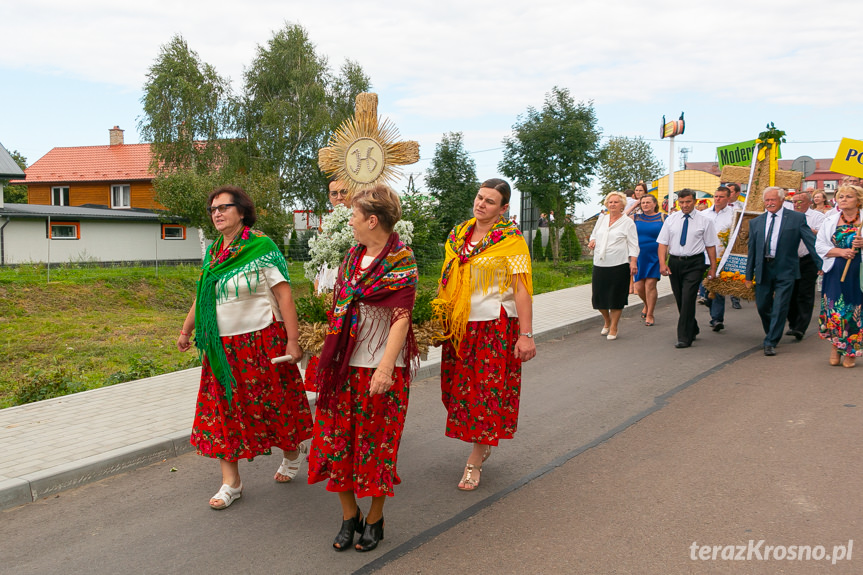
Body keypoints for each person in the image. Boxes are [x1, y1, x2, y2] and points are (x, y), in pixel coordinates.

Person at [178, 185, 312, 509]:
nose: (217, 214)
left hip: (260, 343)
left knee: (271, 407)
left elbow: (284, 296)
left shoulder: (261, 246)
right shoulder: (213, 253)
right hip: (221, 350)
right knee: (222, 411)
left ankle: (292, 451)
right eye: (213, 209)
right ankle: (231, 483)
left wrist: (293, 341)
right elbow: (203, 296)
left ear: (241, 211)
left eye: (224, 207)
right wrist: (186, 330)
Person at [307, 183, 419, 552]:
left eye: (354, 215)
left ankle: (374, 518)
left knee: (376, 447)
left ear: (372, 220)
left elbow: (401, 318)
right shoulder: (351, 258)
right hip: (344, 367)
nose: (350, 220)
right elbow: (340, 306)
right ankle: (348, 515)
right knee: (336, 444)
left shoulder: (402, 260)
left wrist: (385, 369)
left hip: (380, 369)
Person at [436, 178, 536, 492]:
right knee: (457, 393)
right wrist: (438, 320)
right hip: (460, 328)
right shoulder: (457, 235)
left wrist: (526, 334)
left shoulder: (511, 240)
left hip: (493, 327)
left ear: (504, 208)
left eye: (490, 201)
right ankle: (482, 441)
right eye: (480, 198)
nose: (481, 204)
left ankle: (476, 459)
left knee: (484, 397)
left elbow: (522, 288)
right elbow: (446, 278)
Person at [744, 187, 820, 356]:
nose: (769, 203)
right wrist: (748, 275)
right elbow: (751, 252)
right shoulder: (756, 222)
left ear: (782, 200)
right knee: (763, 306)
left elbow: (811, 242)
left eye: (773, 200)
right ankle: (772, 330)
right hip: (764, 268)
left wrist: (821, 264)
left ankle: (771, 340)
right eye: (767, 200)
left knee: (780, 305)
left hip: (785, 269)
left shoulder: (796, 218)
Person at [304, 178, 351, 395]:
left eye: (343, 191)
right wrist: (316, 291)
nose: (339, 197)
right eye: (334, 193)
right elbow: (320, 263)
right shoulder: (327, 225)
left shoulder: (359, 221)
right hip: (326, 294)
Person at [657, 188, 718, 348]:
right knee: (680, 299)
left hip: (695, 263)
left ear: (695, 202)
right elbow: (663, 242)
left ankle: (684, 337)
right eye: (681, 202)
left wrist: (713, 267)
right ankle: (693, 327)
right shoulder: (671, 219)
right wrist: (663, 263)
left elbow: (711, 245)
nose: (684, 205)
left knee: (688, 297)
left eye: (688, 202)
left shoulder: (705, 221)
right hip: (675, 262)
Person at [816, 185, 863, 367]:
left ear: (858, 200)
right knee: (835, 309)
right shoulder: (830, 219)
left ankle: (851, 350)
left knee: (854, 310)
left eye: (848, 196)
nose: (843, 199)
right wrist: (840, 252)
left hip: (857, 271)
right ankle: (836, 346)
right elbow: (819, 245)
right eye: (840, 196)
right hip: (835, 269)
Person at [588, 191, 639, 339]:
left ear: (622, 205)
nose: (613, 204)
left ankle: (614, 327)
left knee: (616, 297)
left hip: (619, 264)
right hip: (600, 263)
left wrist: (633, 262)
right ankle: (607, 320)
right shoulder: (602, 219)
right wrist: (592, 241)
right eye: (610, 202)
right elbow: (594, 234)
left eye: (616, 202)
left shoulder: (628, 222)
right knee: (598, 298)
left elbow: (633, 244)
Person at [786, 191, 826, 340]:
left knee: (805, 293)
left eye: (800, 202)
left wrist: (804, 229)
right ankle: (793, 323)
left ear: (809, 203)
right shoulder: (788, 215)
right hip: (790, 259)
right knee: (790, 292)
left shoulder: (817, 217)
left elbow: (823, 235)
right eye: (794, 201)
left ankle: (800, 327)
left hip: (808, 259)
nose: (796, 204)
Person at [702, 186, 736, 332]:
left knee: (718, 288)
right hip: (703, 256)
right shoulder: (704, 214)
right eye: (716, 196)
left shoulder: (734, 215)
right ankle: (707, 301)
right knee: (705, 288)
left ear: (728, 198)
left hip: (722, 257)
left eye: (721, 197)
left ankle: (717, 319)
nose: (717, 199)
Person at [633, 194, 663, 326]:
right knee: (639, 287)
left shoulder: (663, 218)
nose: (645, 205)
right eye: (643, 203)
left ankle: (650, 314)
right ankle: (646, 304)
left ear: (655, 204)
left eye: (648, 202)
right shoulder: (635, 217)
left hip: (655, 255)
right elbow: (620, 218)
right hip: (638, 256)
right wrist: (634, 205)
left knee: (650, 285)